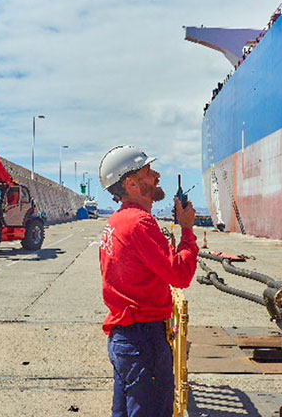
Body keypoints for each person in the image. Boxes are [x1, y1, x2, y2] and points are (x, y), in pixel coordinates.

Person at [98, 145, 197, 417]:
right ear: (131, 184)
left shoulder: (117, 221)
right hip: (143, 340)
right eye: (148, 172)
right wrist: (187, 230)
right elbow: (180, 276)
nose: (157, 176)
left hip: (124, 338)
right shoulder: (140, 224)